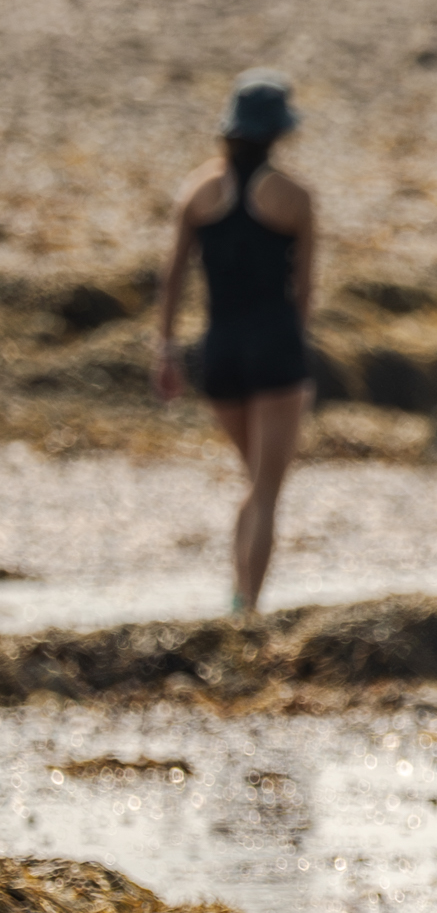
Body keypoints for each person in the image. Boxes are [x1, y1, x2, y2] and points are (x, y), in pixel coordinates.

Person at [152, 70, 317, 619]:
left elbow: (172, 278)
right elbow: (304, 293)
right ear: (277, 132)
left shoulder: (198, 190)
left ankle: (236, 597)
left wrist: (165, 349)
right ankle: (248, 609)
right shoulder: (295, 197)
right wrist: (298, 355)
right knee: (266, 488)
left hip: (218, 348)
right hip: (274, 347)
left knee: (254, 480)